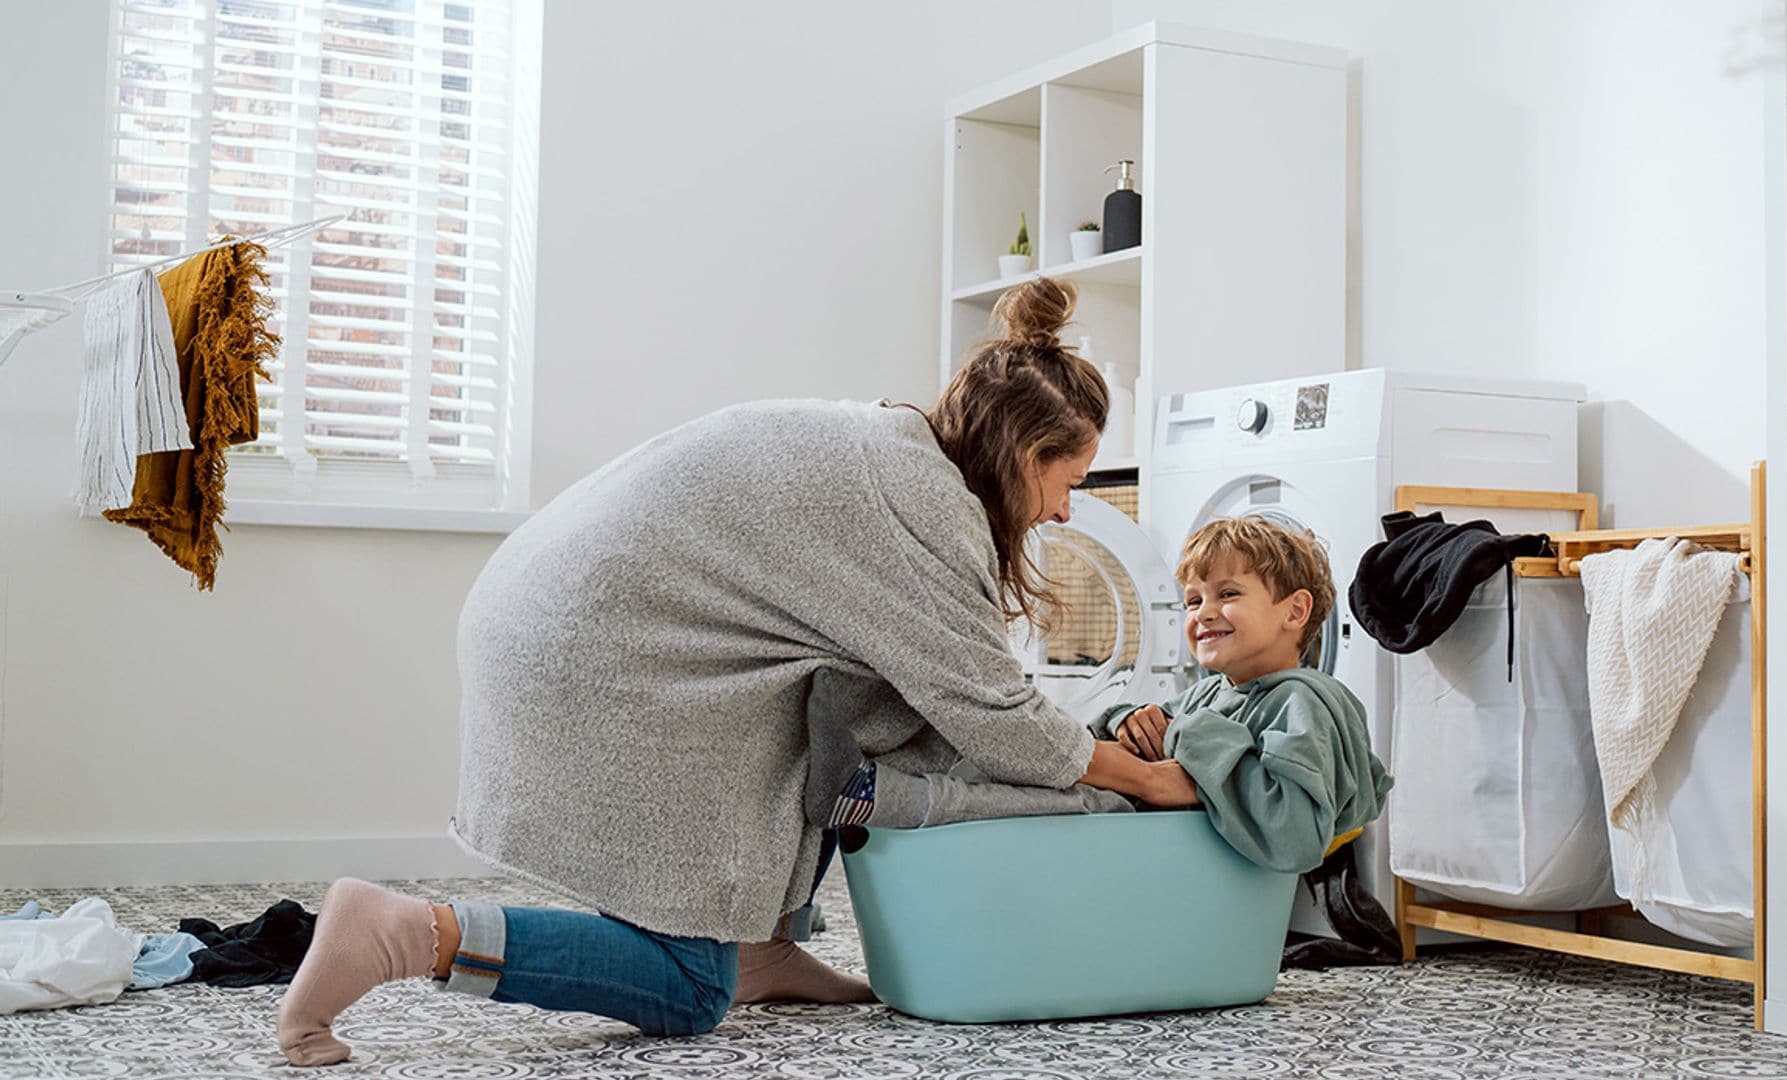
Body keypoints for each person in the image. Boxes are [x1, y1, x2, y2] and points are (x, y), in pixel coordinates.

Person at [272, 277, 1200, 1067]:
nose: (1068, 512)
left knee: (856, 712)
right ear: (1021, 457)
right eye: (1068, 482)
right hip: (599, 662)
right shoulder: (925, 509)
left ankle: (760, 949)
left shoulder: (897, 449)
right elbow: (996, 715)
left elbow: (908, 700)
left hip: (563, 619)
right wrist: (1143, 778)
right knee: (683, 988)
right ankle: (403, 933)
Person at [1093, 516, 1392, 874]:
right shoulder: (1207, 694)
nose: (1203, 613)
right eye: (1192, 601)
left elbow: (1296, 838)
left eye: (1228, 593)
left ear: (1295, 611)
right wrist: (1127, 719)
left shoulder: (1301, 704)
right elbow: (1162, 729)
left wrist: (1188, 738)